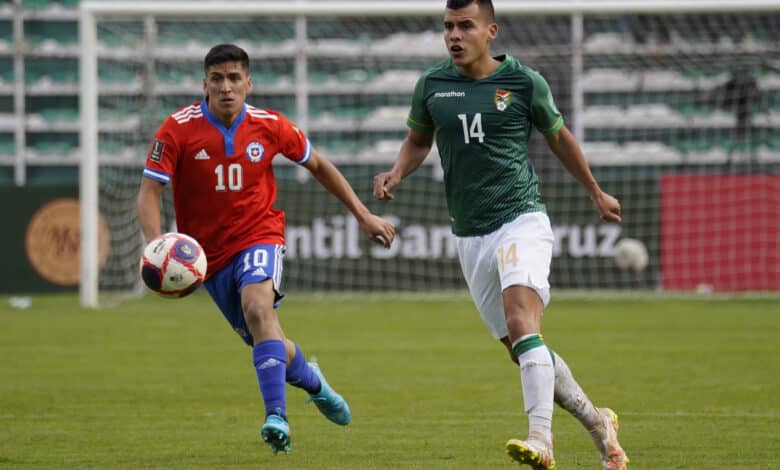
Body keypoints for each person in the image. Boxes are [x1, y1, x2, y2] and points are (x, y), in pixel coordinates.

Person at [372, 1, 628, 469]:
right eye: (448, 26)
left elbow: (559, 137)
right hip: (470, 235)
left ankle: (541, 441)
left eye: (465, 26)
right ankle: (598, 423)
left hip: (521, 217)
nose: (454, 35)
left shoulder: (524, 82)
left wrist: (594, 191)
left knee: (521, 321)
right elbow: (419, 139)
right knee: (523, 349)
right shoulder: (432, 85)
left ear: (490, 31)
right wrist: (397, 171)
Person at [137, 43, 395, 455]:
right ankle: (313, 381)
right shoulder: (177, 129)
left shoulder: (270, 125)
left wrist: (363, 215)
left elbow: (320, 166)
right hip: (209, 259)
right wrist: (156, 245)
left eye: (234, 78)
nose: (226, 87)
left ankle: (277, 418)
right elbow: (150, 190)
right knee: (265, 338)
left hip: (260, 235)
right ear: (205, 83)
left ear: (248, 83)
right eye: (217, 78)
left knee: (259, 307)